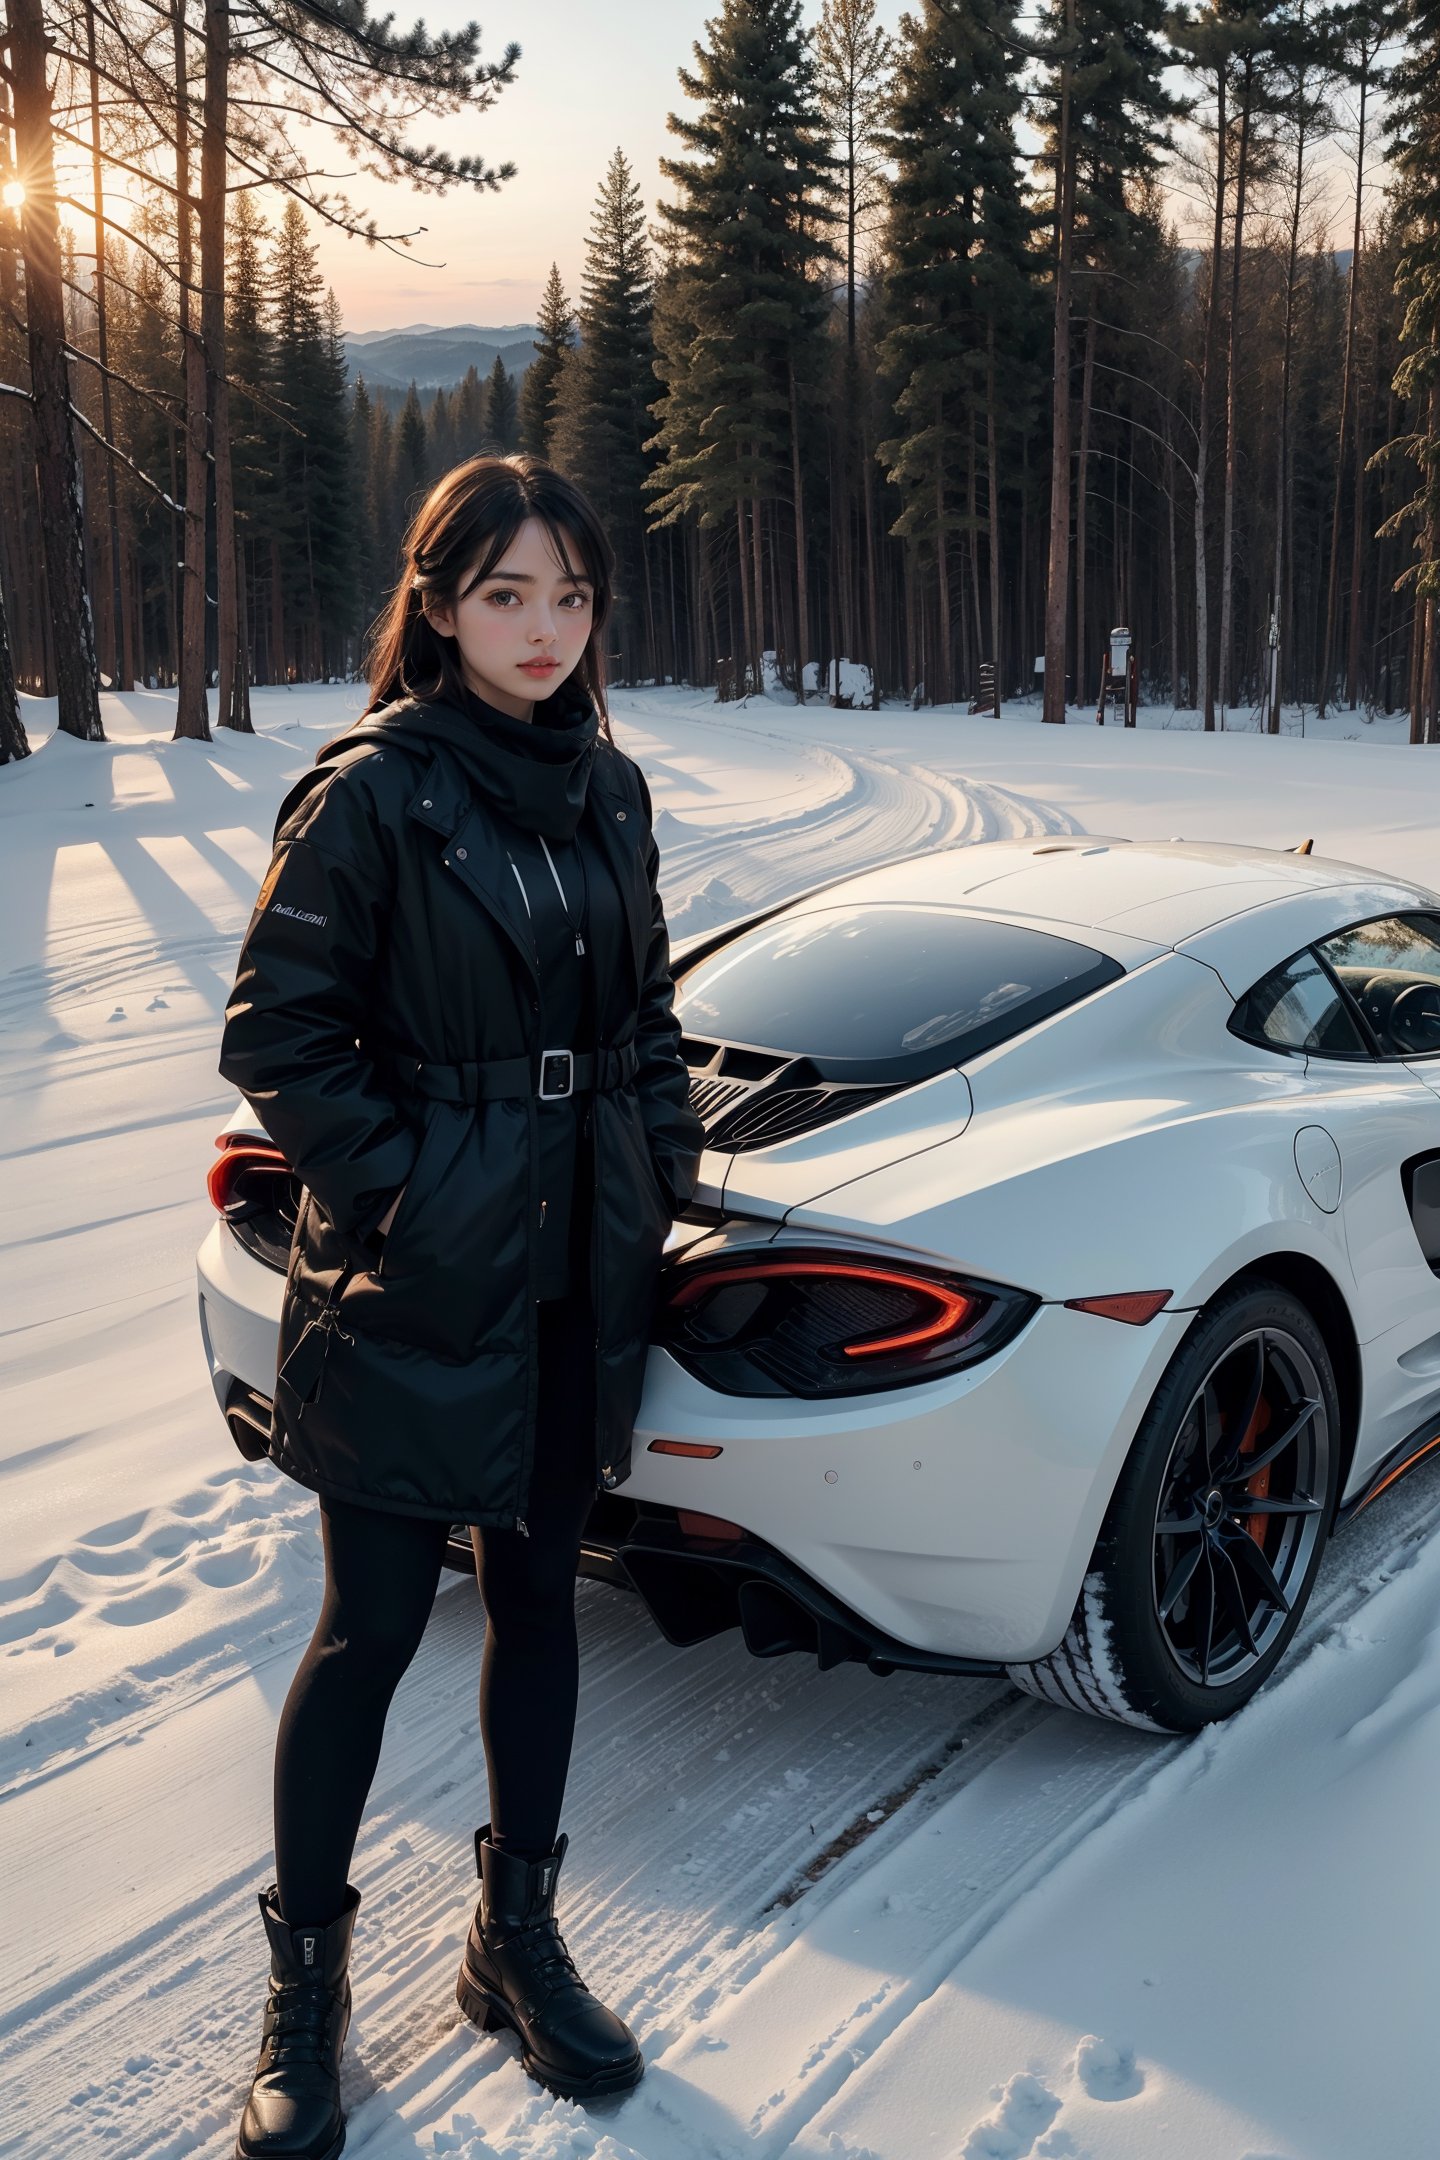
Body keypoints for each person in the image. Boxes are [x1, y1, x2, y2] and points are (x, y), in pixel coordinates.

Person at [217, 452, 706, 2159]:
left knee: (541, 1604)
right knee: (363, 1627)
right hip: (419, 1278)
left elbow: (647, 1022)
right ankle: (303, 1988)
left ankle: (515, 1937)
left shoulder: (613, 789)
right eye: (508, 593)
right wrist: (418, 1189)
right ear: (436, 603)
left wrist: (658, 1170)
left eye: (572, 595)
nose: (547, 629)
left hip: (578, 1266)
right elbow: (279, 1040)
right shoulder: (374, 795)